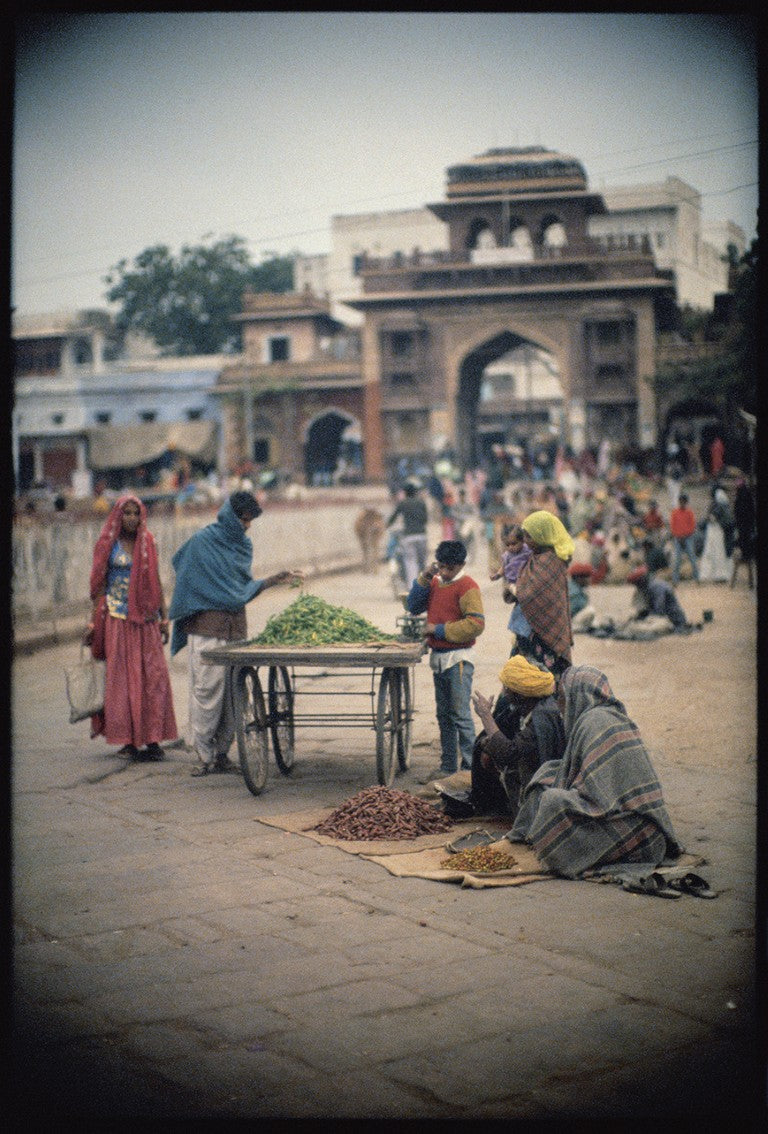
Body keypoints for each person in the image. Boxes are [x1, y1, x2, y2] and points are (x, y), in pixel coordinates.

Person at [168, 491, 302, 776]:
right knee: (208, 694)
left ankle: (222, 754)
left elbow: (239, 591)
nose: (247, 526)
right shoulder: (202, 543)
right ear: (231, 516)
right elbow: (183, 569)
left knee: (234, 695)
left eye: (250, 521)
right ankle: (203, 755)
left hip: (235, 629)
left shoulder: (243, 546)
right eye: (244, 520)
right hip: (207, 629)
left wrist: (274, 580)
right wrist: (205, 596)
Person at [508, 666, 683, 878]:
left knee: (553, 800)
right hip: (624, 811)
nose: (560, 705)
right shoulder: (598, 716)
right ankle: (539, 839)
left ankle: (563, 854)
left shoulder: (594, 722)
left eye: (563, 698)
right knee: (547, 773)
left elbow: (598, 797)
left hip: (638, 826)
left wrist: (563, 792)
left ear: (578, 697)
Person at [84, 494, 177, 761]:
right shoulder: (107, 545)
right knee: (122, 680)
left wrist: (164, 617)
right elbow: (99, 587)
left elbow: (156, 581)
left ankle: (153, 739)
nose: (132, 519)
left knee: (152, 678)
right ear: (117, 515)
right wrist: (92, 622)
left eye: (136, 514)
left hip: (146, 620)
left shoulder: (148, 543)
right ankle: (128, 739)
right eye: (127, 513)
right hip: (116, 619)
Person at [406, 540, 485, 782]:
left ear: (460, 565)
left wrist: (438, 630)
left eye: (449, 568)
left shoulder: (468, 587)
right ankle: (448, 766)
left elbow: (476, 624)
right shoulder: (435, 581)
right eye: (440, 566)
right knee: (444, 715)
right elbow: (413, 606)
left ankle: (471, 770)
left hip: (459, 659)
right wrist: (424, 577)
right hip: (439, 659)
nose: (444, 572)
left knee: (460, 715)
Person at [464, 655, 566, 818]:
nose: (504, 691)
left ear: (521, 693)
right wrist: (486, 745)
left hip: (545, 786)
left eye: (507, 687)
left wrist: (486, 716)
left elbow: (508, 753)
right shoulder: (527, 707)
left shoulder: (542, 717)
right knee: (481, 747)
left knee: (505, 763)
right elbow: (501, 734)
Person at [511, 510, 574, 677]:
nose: (526, 541)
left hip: (545, 638)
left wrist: (514, 590)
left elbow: (528, 594)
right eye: (525, 536)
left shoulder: (551, 561)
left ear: (543, 536)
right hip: (528, 633)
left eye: (530, 537)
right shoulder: (535, 558)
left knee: (544, 680)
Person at [614, 565, 693, 638]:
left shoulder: (656, 587)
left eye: (636, 583)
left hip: (673, 619)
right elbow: (643, 608)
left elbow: (658, 609)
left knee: (640, 629)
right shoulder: (645, 588)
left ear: (641, 581)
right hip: (661, 616)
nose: (636, 586)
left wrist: (645, 619)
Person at [385, 480, 428, 590]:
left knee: (410, 562)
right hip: (422, 536)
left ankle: (412, 588)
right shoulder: (421, 502)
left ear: (405, 492)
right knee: (422, 562)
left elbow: (392, 518)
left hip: (408, 537)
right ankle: (425, 586)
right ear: (415, 492)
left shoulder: (403, 503)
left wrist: (386, 526)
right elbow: (425, 519)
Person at [698, 486, 736, 583]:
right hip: (716, 531)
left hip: (717, 532)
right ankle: (715, 575)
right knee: (715, 553)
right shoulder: (723, 506)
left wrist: (710, 520)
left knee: (716, 553)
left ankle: (717, 575)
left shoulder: (719, 506)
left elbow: (713, 518)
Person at [669, 493, 700, 585]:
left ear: (686, 502)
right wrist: (678, 536)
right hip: (678, 539)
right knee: (677, 560)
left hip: (688, 538)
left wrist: (685, 535)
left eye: (684, 502)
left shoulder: (689, 512)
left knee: (692, 558)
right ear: (679, 502)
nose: (682, 503)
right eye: (681, 501)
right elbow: (673, 526)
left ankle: (697, 578)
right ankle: (675, 580)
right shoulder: (674, 512)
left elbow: (692, 526)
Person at [567, 563, 596, 633]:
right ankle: (574, 629)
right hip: (566, 623)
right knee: (590, 611)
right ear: (579, 578)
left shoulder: (573, 587)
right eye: (588, 577)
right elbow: (569, 612)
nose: (589, 580)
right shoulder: (574, 592)